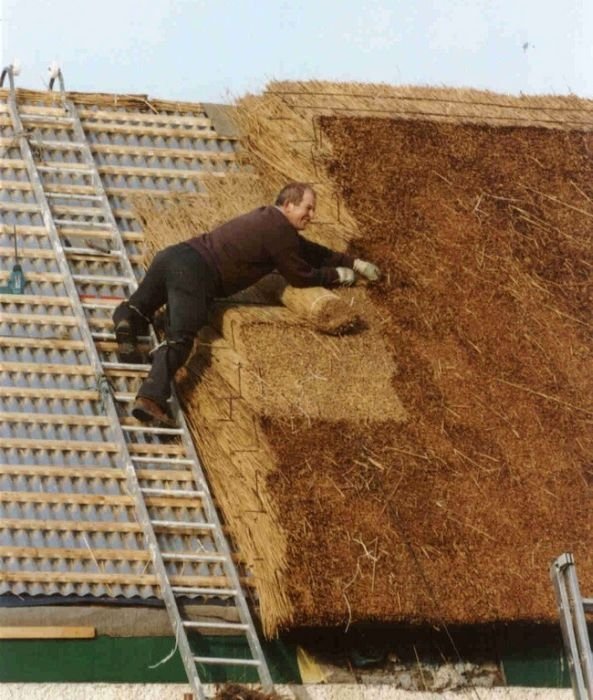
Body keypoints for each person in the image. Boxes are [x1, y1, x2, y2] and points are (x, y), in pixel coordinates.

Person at [112, 182, 381, 427]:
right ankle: (150, 399)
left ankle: (125, 323)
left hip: (173, 256)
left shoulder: (267, 219)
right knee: (179, 339)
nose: (311, 215)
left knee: (140, 305)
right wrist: (337, 276)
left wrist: (352, 262)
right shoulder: (279, 231)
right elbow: (300, 276)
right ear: (289, 204)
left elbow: (309, 250)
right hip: (195, 274)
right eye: (307, 208)